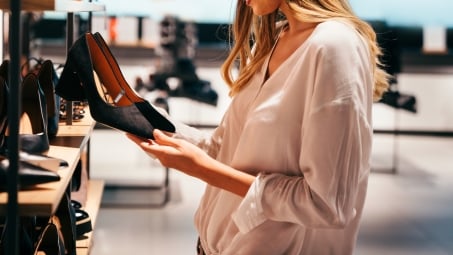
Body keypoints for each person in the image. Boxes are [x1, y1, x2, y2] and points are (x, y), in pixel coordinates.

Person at [126, 0, 390, 254]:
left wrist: (202, 170)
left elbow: (326, 205)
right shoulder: (275, 38)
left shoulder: (334, 45)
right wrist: (149, 122)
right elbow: (226, 146)